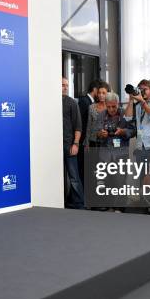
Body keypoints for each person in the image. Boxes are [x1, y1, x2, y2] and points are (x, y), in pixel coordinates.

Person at [125, 79, 150, 164]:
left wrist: (142, 101)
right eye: (140, 89)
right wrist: (131, 100)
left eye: (145, 89)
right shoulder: (138, 104)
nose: (142, 92)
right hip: (140, 146)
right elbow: (128, 118)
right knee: (141, 175)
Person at [62, 77, 84, 209]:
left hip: (69, 144)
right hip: (52, 146)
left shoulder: (72, 103)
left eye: (66, 85)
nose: (65, 87)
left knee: (74, 177)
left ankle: (80, 204)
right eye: (62, 85)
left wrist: (75, 144)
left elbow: (78, 126)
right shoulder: (49, 102)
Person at [77, 79, 103, 187]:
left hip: (89, 141)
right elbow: (82, 123)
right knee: (84, 169)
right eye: (100, 92)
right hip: (84, 141)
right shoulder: (85, 101)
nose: (101, 95)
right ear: (95, 90)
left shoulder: (91, 102)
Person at [84, 82, 110, 147]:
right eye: (99, 93)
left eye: (103, 93)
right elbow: (89, 125)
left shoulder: (111, 107)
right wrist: (86, 142)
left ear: (108, 94)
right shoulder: (92, 107)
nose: (101, 95)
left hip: (107, 141)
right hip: (93, 141)